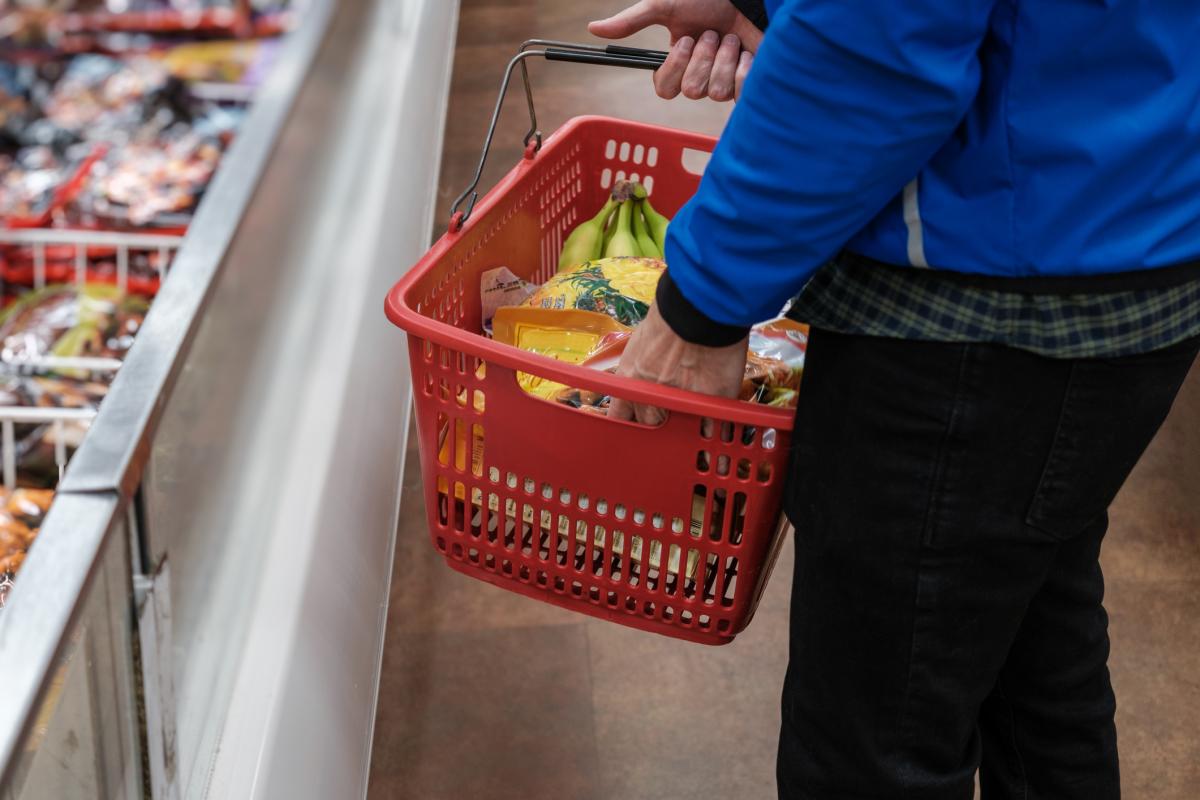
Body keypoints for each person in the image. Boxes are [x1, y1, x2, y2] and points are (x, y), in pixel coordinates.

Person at [590, 1, 1200, 798]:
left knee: (874, 749)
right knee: (1036, 676)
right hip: (1114, 214)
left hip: (973, 306)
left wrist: (701, 302)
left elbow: (878, 54)